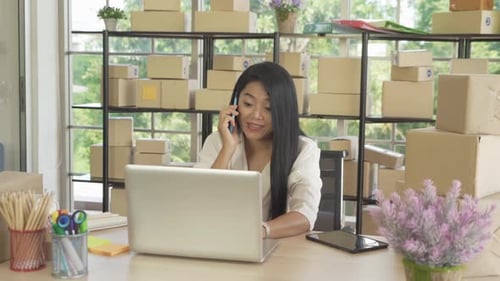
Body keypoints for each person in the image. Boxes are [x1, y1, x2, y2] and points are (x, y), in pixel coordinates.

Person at [195, 61, 322, 239]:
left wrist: (259, 231)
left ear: (282, 112)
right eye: (248, 104)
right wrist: (228, 149)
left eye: (268, 108)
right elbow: (199, 202)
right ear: (235, 103)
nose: (256, 115)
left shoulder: (302, 149)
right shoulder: (218, 141)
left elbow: (305, 215)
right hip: (217, 241)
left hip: (276, 249)